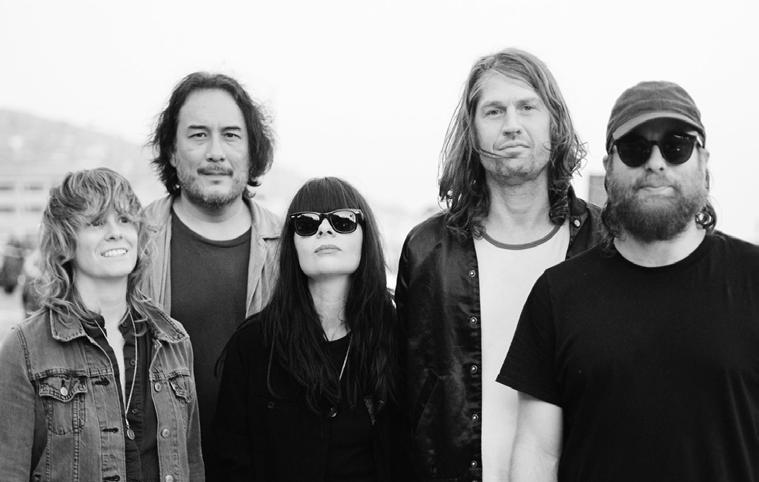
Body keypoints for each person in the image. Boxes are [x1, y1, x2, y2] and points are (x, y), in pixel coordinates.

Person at [500, 81, 759, 481]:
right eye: (635, 148)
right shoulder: (558, 295)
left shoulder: (753, 279)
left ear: (703, 161)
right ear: (610, 167)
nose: (655, 163)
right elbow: (537, 453)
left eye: (676, 146)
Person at [395, 48, 602, 480]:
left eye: (527, 107)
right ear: (471, 131)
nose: (511, 125)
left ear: (555, 122)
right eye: (494, 111)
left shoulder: (601, 243)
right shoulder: (427, 251)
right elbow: (401, 396)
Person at [0, 168, 203, 481]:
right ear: (66, 243)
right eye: (96, 222)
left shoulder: (173, 340)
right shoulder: (25, 347)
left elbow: (192, 466)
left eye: (124, 219)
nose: (115, 232)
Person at [213, 177, 407, 481]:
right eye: (306, 224)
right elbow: (229, 462)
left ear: (365, 236)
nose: (324, 229)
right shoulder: (254, 343)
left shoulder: (396, 336)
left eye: (343, 221)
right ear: (292, 244)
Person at [144, 71, 281, 476]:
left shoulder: (290, 247)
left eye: (231, 135)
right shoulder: (133, 243)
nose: (216, 152)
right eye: (198, 135)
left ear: (253, 151)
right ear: (171, 151)